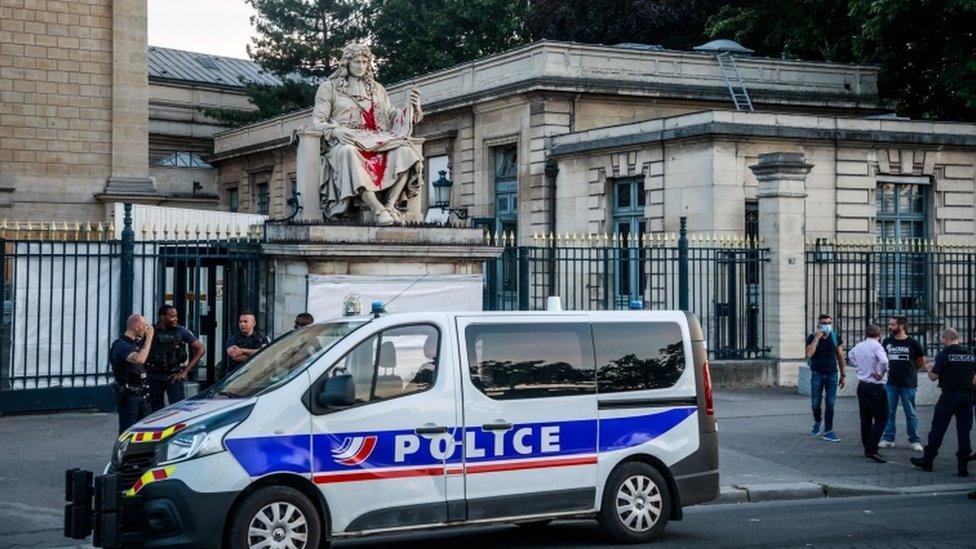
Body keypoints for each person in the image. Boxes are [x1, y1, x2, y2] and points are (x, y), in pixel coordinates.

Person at [311, 41, 424, 225]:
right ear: (347, 63)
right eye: (357, 61)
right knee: (348, 152)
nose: (361, 66)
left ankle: (389, 205)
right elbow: (317, 121)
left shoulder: (377, 89)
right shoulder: (329, 87)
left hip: (377, 139)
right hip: (345, 140)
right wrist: (335, 131)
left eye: (365, 62)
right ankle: (377, 209)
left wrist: (412, 107)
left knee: (407, 152)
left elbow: (391, 117)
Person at [911, 328, 975, 477]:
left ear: (945, 339)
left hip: (949, 396)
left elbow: (934, 377)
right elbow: (974, 380)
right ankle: (963, 467)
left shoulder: (944, 354)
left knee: (938, 429)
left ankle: (928, 461)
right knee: (964, 432)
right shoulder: (971, 355)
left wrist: (928, 368)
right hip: (967, 397)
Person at [145, 304, 206, 412]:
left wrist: (185, 371)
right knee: (155, 409)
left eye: (176, 316)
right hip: (154, 375)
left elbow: (200, 349)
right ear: (163, 317)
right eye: (172, 316)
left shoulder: (181, 330)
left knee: (178, 410)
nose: (175, 319)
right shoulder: (151, 331)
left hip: (174, 375)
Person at [879, 316, 926, 451]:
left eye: (893, 324)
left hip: (908, 383)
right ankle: (888, 438)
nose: (890, 327)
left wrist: (911, 370)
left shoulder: (913, 343)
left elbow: (921, 361)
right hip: (890, 382)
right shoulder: (887, 341)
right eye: (890, 324)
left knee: (910, 413)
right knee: (889, 411)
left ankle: (914, 440)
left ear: (902, 326)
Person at [848, 324, 890, 462]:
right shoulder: (877, 346)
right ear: (880, 335)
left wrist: (860, 367)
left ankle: (867, 445)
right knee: (881, 418)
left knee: (865, 418)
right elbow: (884, 361)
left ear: (866, 333)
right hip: (875, 387)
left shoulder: (859, 345)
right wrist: (880, 373)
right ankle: (872, 448)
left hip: (862, 385)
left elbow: (850, 355)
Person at [805, 313, 847, 442]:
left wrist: (843, 375)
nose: (826, 325)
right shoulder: (812, 337)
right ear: (819, 324)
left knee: (830, 403)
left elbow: (840, 356)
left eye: (828, 323)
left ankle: (828, 431)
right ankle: (818, 421)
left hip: (832, 375)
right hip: (817, 374)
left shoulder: (835, 337)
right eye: (824, 323)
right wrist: (817, 338)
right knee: (815, 403)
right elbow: (809, 354)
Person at [109, 314, 154, 434]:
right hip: (129, 396)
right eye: (144, 325)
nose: (146, 329)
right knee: (127, 433)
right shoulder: (122, 345)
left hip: (141, 395)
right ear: (137, 326)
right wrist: (149, 338)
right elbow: (139, 359)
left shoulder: (135, 344)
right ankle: (123, 453)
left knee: (146, 432)